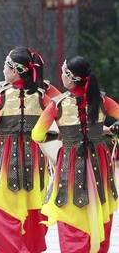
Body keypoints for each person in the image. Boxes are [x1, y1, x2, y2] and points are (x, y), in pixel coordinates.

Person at [32, 56, 119, 253]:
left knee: (71, 208)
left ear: (71, 78)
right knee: (98, 204)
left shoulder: (57, 104)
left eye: (63, 72)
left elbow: (37, 134)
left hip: (71, 162)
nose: (61, 76)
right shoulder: (102, 99)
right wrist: (106, 130)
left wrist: (60, 134)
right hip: (99, 161)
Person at [0, 47, 52, 252]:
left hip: (6, 156)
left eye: (5, 66)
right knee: (34, 201)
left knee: (5, 203)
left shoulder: (1, 94)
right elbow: (62, 108)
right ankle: (31, 246)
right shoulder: (44, 92)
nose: (3, 70)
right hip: (35, 156)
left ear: (15, 71)